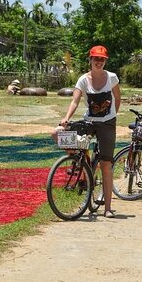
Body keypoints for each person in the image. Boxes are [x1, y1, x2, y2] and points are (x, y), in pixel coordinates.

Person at [51, 45, 121, 218]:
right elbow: (75, 101)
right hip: (89, 122)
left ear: (105, 61)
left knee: (106, 165)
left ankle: (107, 208)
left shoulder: (112, 77)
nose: (99, 62)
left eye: (102, 59)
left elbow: (117, 98)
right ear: (90, 60)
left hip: (107, 123)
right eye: (96, 59)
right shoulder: (83, 79)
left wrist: (112, 116)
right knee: (57, 133)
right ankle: (83, 169)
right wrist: (66, 117)